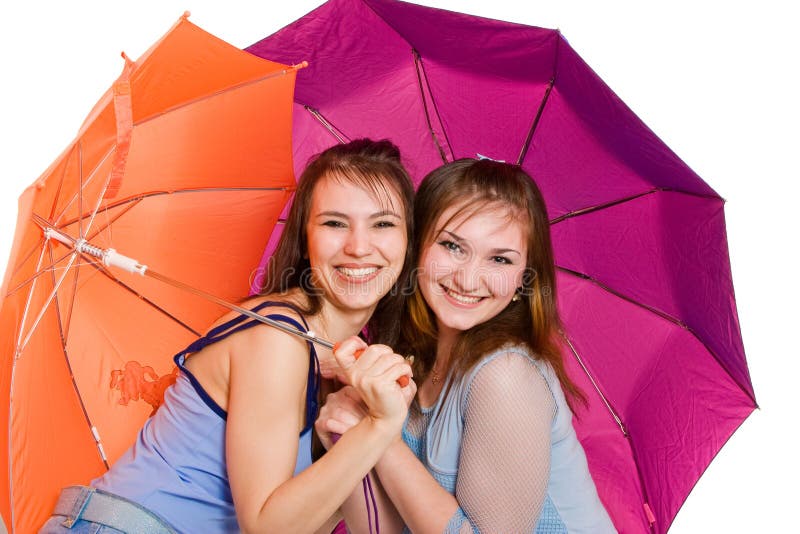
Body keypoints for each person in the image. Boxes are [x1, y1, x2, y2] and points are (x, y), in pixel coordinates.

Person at [40, 139, 417, 534]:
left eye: (383, 224)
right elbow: (267, 528)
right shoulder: (277, 338)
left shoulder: (324, 360)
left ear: (408, 242)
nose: (358, 247)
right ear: (306, 239)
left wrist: (342, 440)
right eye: (334, 223)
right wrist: (379, 426)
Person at [316, 158, 616, 533]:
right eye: (453, 246)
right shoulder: (411, 360)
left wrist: (380, 431)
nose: (468, 278)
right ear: (417, 244)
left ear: (524, 277)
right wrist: (349, 434)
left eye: (500, 259)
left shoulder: (505, 377)